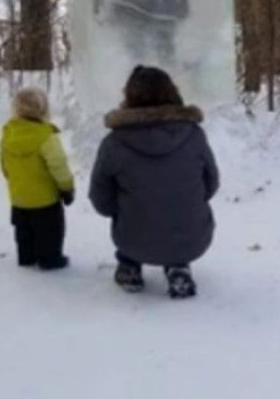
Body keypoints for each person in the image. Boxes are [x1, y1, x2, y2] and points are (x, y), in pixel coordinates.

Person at [88, 66, 219, 299]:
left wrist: (118, 211)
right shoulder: (194, 134)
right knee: (173, 215)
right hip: (192, 237)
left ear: (129, 95)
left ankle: (129, 266)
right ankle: (178, 265)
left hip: (132, 237)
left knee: (134, 217)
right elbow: (211, 183)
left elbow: (100, 196)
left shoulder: (114, 142)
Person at [0, 87, 75, 270]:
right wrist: (67, 187)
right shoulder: (46, 136)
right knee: (50, 231)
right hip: (45, 199)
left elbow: (3, 162)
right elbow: (59, 165)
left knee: (23, 230)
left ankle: (27, 256)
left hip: (19, 197)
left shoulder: (9, 133)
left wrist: (12, 179)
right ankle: (50, 259)